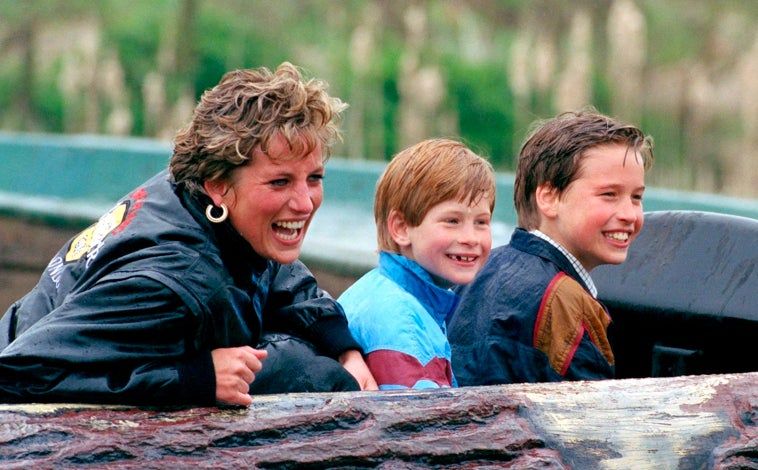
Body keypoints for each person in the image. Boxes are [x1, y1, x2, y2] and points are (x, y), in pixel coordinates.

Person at [0, 62, 377, 406]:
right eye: (279, 182)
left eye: (314, 178)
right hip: (31, 392)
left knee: (316, 358)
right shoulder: (173, 282)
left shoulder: (199, 198)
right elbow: (16, 374)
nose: (305, 203)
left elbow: (277, 270)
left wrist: (343, 345)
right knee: (315, 376)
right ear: (218, 187)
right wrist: (194, 378)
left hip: (60, 334)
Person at [448, 108, 654, 385]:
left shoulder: (479, 270)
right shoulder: (567, 303)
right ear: (548, 198)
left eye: (636, 197)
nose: (629, 214)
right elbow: (593, 419)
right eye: (609, 195)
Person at [338, 139, 495, 390]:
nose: (470, 238)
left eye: (481, 222)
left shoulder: (383, 290)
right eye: (452, 220)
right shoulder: (403, 324)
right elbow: (419, 424)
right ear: (401, 228)